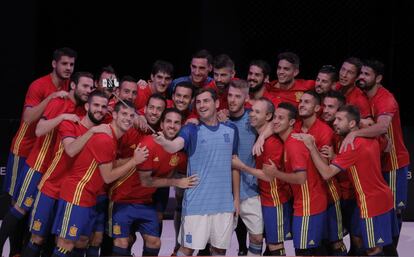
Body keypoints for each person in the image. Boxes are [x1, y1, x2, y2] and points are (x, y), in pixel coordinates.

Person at [0, 71, 91, 256]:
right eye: (85, 86)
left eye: (91, 87)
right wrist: (62, 117)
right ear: (73, 85)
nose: (88, 90)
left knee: (42, 226)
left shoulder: (83, 110)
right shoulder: (58, 102)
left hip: (55, 172)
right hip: (38, 165)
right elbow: (39, 130)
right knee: (20, 208)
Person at [294, 105, 399, 256]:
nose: (335, 122)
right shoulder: (369, 137)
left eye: (339, 119)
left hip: (371, 202)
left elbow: (326, 173)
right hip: (383, 197)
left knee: (373, 249)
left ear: (351, 124)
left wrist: (312, 147)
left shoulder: (351, 145)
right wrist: (335, 158)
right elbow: (366, 160)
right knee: (379, 245)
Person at [50, 100, 148, 257]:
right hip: (77, 193)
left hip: (88, 195)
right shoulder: (105, 138)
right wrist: (134, 161)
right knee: (65, 243)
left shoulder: (111, 136)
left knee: (79, 241)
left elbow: (107, 164)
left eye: (131, 115)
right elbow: (108, 177)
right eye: (124, 114)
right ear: (114, 115)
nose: (128, 118)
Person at [21, 90, 111, 257]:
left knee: (67, 241)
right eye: (96, 105)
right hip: (51, 190)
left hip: (73, 196)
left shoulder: (104, 132)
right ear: (87, 106)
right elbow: (70, 149)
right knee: (38, 238)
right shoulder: (70, 123)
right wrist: (92, 132)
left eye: (103, 106)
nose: (100, 109)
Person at [154, 88, 240, 256]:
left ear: (216, 103)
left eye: (206, 101)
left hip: (224, 205)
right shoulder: (191, 130)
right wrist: (164, 142)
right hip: (196, 205)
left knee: (219, 250)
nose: (201, 105)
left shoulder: (231, 130)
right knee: (186, 249)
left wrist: (236, 198)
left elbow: (234, 165)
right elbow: (174, 146)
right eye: (198, 102)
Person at [109, 108, 198, 256]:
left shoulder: (179, 152)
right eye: (168, 121)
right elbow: (146, 181)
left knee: (155, 242)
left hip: (145, 201)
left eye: (177, 123)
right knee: (122, 242)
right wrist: (176, 182)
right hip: (122, 199)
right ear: (161, 125)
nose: (172, 125)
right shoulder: (149, 143)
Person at [342, 59, 410, 245]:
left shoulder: (385, 99)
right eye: (361, 73)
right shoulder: (363, 97)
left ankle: (390, 250)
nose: (361, 77)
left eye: (367, 74)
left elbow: (381, 127)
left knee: (393, 209)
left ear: (378, 78)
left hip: (393, 163)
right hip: (376, 162)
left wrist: (355, 133)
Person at [263, 102, 328, 256]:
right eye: (275, 117)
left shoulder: (294, 145)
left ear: (292, 122)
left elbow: (300, 178)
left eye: (281, 118)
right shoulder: (291, 141)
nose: (276, 121)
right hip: (307, 203)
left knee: (303, 251)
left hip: (308, 205)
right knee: (313, 250)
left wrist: (275, 173)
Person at [232, 97, 292, 256]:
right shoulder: (262, 137)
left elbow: (268, 176)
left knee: (275, 246)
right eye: (251, 110)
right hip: (265, 197)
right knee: (269, 244)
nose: (251, 114)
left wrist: (242, 166)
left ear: (268, 116)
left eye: (257, 112)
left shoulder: (271, 143)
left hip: (275, 199)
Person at [295, 90, 346, 255]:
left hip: (328, 194)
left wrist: (312, 147)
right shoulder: (294, 126)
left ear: (317, 108)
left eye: (307, 102)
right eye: (301, 101)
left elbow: (326, 169)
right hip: (305, 197)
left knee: (335, 242)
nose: (302, 104)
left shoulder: (324, 131)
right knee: (315, 244)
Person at [227, 81, 265, 256]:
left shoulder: (252, 118)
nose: (232, 100)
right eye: (230, 95)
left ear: (246, 98)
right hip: (225, 193)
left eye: (237, 96)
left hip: (250, 189)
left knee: (257, 238)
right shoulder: (221, 119)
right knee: (218, 242)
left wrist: (262, 136)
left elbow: (272, 122)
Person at [336, 57, 372, 122]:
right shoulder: (335, 87)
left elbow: (369, 123)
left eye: (350, 72)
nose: (344, 75)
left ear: (357, 77)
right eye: (343, 69)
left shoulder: (360, 99)